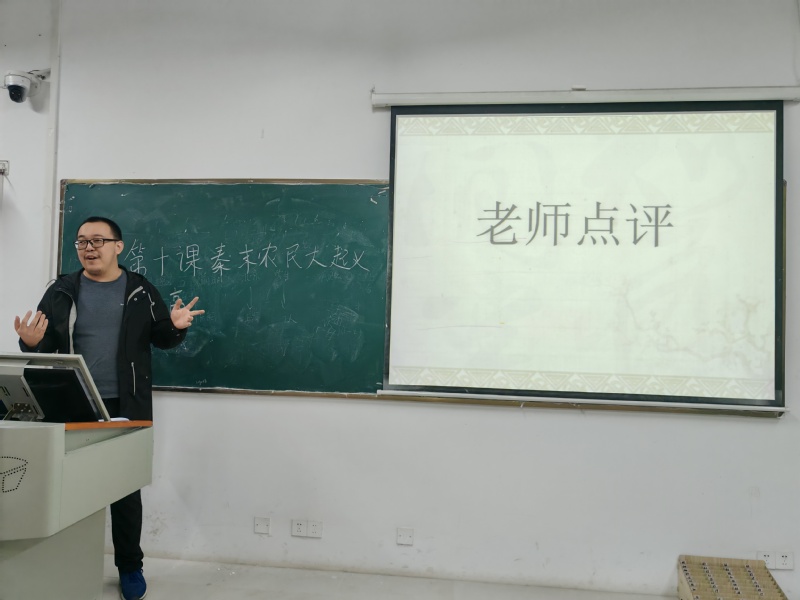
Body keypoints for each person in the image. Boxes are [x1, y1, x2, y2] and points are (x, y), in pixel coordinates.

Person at [14, 215, 204, 600]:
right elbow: (42, 343)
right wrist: (30, 343)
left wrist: (177, 325)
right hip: (71, 400)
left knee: (124, 488)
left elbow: (162, 338)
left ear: (119, 246)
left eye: (98, 240)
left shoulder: (140, 290)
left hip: (125, 402)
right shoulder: (61, 290)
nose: (89, 248)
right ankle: (63, 563)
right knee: (64, 484)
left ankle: (130, 567)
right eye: (82, 241)